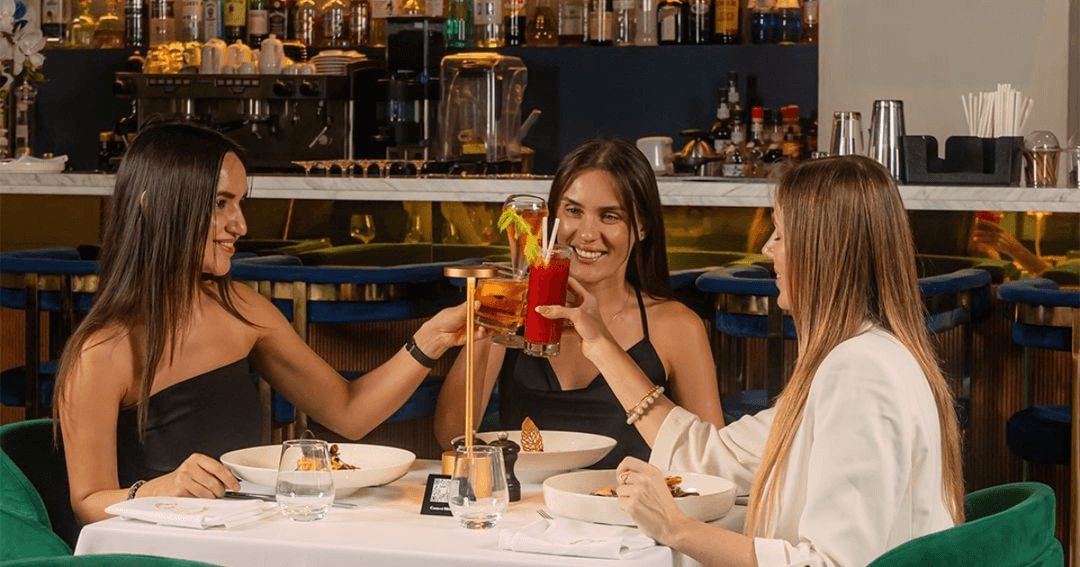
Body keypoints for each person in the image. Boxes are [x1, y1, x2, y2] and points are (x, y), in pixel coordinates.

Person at [540, 155, 965, 567]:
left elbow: (832, 564)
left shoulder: (860, 372)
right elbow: (708, 456)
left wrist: (676, 529)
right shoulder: (858, 356)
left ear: (821, 250)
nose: (766, 249)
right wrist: (598, 340)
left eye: (779, 233)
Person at [53, 123, 471, 524]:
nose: (241, 225)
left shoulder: (240, 307)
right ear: (153, 203)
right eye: (220, 203)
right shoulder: (104, 350)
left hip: (245, 536)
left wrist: (431, 339)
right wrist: (161, 489)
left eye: (240, 203)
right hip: (155, 551)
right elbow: (88, 503)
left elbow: (349, 412)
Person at [434, 137, 725, 468]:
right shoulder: (516, 314)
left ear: (642, 227)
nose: (587, 233)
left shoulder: (676, 326)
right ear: (552, 217)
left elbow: (713, 461)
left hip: (623, 513)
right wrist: (493, 320)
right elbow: (451, 435)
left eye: (609, 216)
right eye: (573, 211)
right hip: (524, 512)